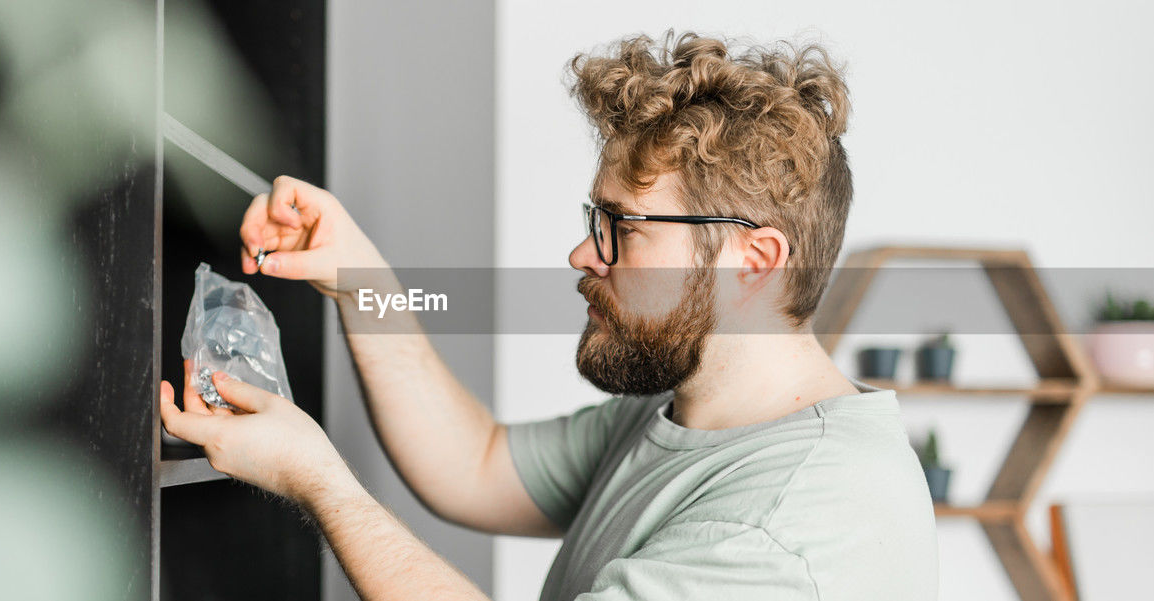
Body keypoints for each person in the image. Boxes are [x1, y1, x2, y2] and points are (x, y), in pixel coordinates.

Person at [160, 30, 939, 601]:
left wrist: (320, 481)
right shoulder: (694, 407)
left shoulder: (802, 517)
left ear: (756, 259)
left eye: (623, 227)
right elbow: (477, 463)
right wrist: (363, 278)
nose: (582, 253)